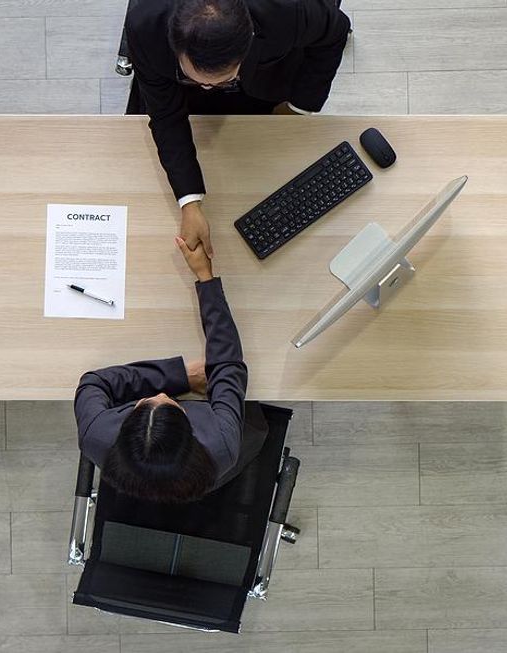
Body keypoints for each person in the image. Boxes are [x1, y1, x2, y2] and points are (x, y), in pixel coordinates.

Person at [124, 0, 351, 259]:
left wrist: (299, 106)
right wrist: (189, 200)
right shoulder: (144, 25)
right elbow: (165, 115)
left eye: (221, 79)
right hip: (176, 89)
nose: (208, 88)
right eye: (197, 78)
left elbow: (336, 31)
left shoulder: (288, 11)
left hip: (264, 81)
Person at [74, 236, 267, 503]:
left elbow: (93, 383)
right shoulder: (220, 444)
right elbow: (228, 366)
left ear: (124, 426)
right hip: (202, 476)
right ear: (191, 429)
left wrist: (180, 376)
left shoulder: (97, 433)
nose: (163, 395)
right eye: (172, 404)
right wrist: (205, 276)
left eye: (145, 403)